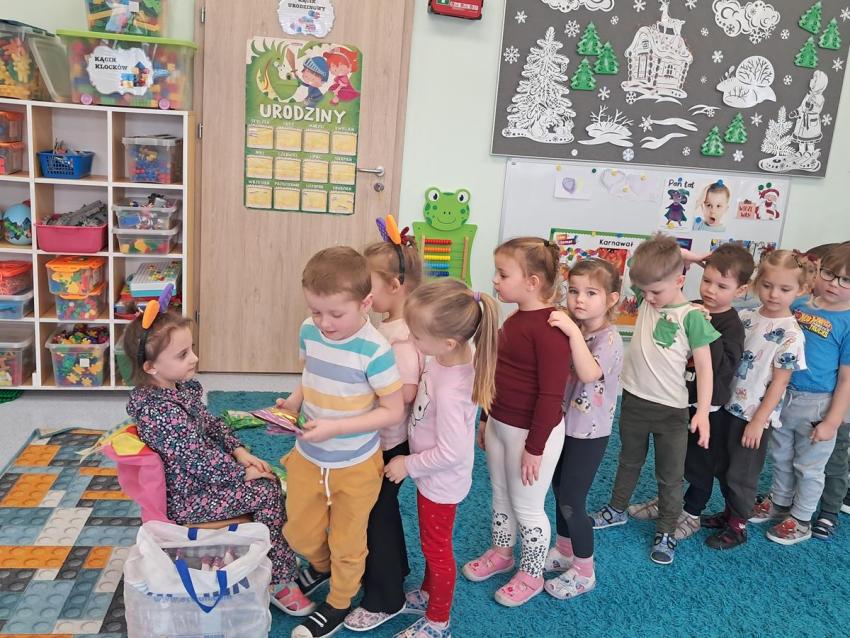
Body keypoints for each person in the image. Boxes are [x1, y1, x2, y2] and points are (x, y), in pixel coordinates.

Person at [124, 306, 305, 614]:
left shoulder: (176, 389)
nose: (194, 358)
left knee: (264, 480)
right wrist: (241, 474)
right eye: (183, 355)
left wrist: (238, 451)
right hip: (187, 498)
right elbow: (198, 460)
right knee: (268, 492)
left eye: (191, 348)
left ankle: (272, 554)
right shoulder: (160, 411)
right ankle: (279, 580)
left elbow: (210, 424)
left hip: (202, 480)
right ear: (151, 367)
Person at [278, 247, 405, 638]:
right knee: (299, 533)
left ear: (365, 303)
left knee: (349, 542)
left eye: (335, 314)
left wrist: (337, 427)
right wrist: (293, 402)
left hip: (356, 464)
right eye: (316, 311)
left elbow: (393, 410)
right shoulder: (308, 330)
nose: (324, 323)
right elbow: (310, 374)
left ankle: (339, 601)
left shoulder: (376, 350)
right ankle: (323, 566)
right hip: (308, 455)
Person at [591, 234, 719, 565]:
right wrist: (688, 256)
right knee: (628, 460)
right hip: (634, 401)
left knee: (670, 475)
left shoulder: (692, 316)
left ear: (679, 281)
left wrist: (703, 412)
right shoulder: (649, 295)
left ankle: (666, 530)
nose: (647, 298)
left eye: (655, 292)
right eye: (644, 291)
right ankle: (617, 508)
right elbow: (640, 259)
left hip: (671, 412)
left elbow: (705, 368)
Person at [384, 279, 499, 638]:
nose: (411, 339)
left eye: (417, 336)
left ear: (448, 342)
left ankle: (438, 622)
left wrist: (407, 465)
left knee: (436, 549)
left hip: (440, 480)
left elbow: (451, 452)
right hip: (431, 475)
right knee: (431, 542)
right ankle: (427, 592)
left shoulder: (452, 390)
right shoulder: (445, 359)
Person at [462, 237, 572, 607]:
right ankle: (502, 552)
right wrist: (486, 419)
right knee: (500, 495)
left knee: (527, 506)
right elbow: (498, 375)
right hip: (500, 425)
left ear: (532, 282)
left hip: (533, 436)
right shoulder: (514, 319)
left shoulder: (551, 330)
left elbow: (551, 397)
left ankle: (532, 573)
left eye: (503, 274)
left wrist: (535, 449)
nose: (495, 280)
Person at [344, 234, 425, 632]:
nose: (362, 290)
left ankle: (385, 597)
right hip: (384, 438)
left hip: (389, 443)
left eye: (368, 282)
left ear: (395, 285)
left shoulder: (403, 337)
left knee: (376, 517)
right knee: (381, 513)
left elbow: (404, 392)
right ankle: (396, 572)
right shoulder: (393, 326)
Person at [752, 245, 850, 545]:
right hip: (783, 396)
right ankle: (780, 502)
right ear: (816, 272)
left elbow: (847, 378)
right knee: (781, 456)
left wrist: (832, 421)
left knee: (809, 467)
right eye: (829, 274)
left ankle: (802, 518)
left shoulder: (847, 321)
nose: (834, 284)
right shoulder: (799, 304)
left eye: (846, 280)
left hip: (817, 404)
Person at [544, 258, 624, 599]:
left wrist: (573, 332)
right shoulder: (576, 328)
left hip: (588, 433)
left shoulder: (609, 339)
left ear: (611, 299)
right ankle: (564, 550)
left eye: (591, 293)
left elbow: (589, 372)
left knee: (573, 501)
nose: (579, 299)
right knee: (559, 490)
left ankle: (585, 570)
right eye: (574, 291)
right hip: (562, 424)